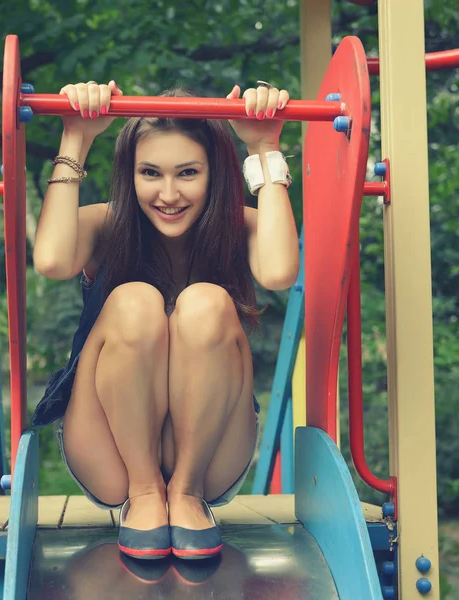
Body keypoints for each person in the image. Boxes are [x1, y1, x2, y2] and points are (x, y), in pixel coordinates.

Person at [32, 79, 300, 561]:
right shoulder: (109, 223)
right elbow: (51, 260)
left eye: (188, 173)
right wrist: (76, 138)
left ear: (213, 175)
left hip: (210, 454)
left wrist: (264, 148)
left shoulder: (239, 227)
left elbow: (280, 271)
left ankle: (186, 493)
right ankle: (146, 492)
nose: (168, 193)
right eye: (150, 173)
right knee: (135, 300)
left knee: (206, 303)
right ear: (130, 174)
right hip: (109, 450)